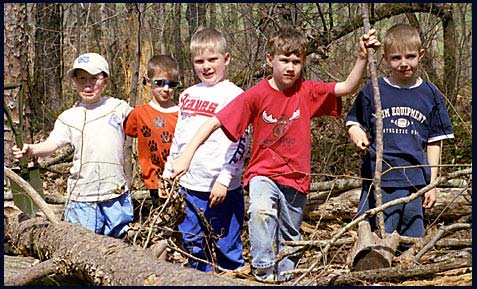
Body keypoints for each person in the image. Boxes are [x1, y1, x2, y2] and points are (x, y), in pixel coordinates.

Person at [170, 27, 380, 282]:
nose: (290, 67)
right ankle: (263, 272)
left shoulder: (307, 91)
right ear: (270, 60)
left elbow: (346, 87)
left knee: (290, 234)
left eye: (296, 62)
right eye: (284, 60)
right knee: (260, 211)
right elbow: (214, 121)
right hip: (263, 173)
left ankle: (286, 276)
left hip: (296, 176)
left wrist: (362, 57)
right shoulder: (256, 95)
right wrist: (186, 155)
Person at [346, 24, 454, 250]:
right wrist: (355, 131)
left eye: (410, 56)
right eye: (396, 58)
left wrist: (432, 183)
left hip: (416, 179)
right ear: (385, 59)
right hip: (380, 177)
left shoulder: (430, 94)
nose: (404, 63)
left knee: (412, 238)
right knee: (379, 237)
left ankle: (408, 275)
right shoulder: (374, 89)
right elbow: (354, 119)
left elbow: (435, 140)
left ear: (421, 55)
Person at [12, 52, 134, 238]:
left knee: (119, 244)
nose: (88, 84)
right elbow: (52, 144)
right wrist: (31, 149)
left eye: (94, 78)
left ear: (105, 81)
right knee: (82, 244)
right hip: (82, 196)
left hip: (115, 191)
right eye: (82, 79)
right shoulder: (69, 117)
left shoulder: (118, 107)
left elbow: (142, 124)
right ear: (75, 82)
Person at [162, 27, 249, 272]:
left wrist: (225, 178)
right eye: (199, 61)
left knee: (226, 245)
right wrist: (170, 171)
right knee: (193, 243)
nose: (206, 66)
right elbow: (180, 136)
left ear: (227, 59)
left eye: (213, 59)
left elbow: (241, 140)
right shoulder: (188, 94)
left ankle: (231, 277)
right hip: (190, 184)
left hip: (220, 187)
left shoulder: (235, 95)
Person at [124, 55, 180, 208]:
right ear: (149, 82)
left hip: (180, 178)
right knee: (162, 219)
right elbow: (122, 128)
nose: (166, 89)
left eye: (171, 84)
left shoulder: (181, 114)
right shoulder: (139, 114)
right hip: (154, 181)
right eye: (160, 83)